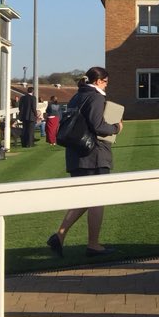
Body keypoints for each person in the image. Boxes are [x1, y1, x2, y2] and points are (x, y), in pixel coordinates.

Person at [46, 67, 124, 259]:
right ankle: (93, 244)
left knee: (84, 198)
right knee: (97, 200)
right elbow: (98, 126)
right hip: (93, 154)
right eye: (106, 82)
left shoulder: (75, 97)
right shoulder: (96, 97)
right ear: (99, 81)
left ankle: (60, 235)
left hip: (76, 154)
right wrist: (116, 127)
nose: (107, 85)